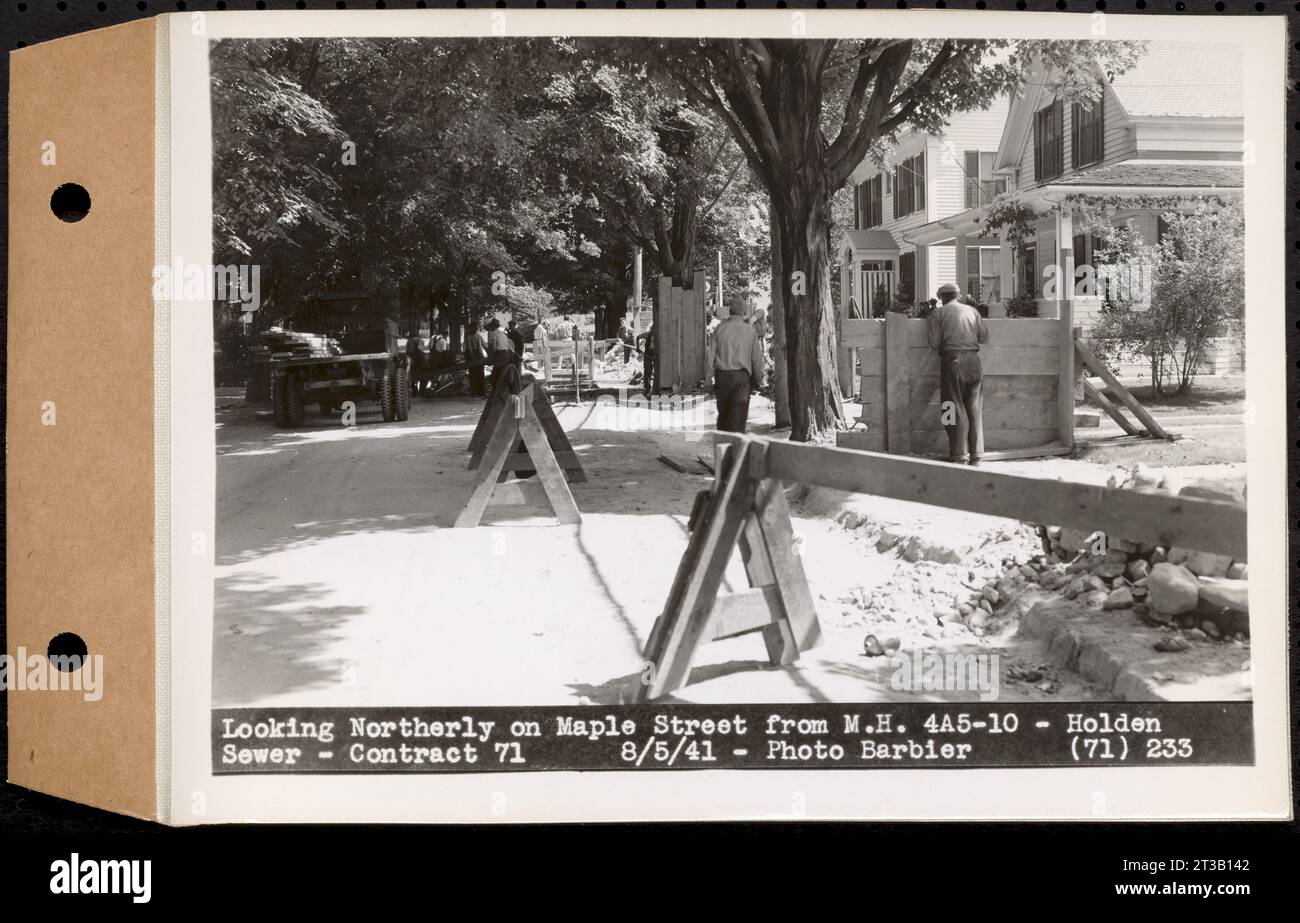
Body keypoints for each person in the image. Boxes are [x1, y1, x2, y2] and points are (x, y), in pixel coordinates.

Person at [927, 282, 989, 466]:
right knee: (975, 409)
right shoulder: (972, 311)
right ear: (958, 295)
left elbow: (934, 343)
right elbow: (984, 337)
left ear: (941, 298)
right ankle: (977, 456)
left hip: (952, 362)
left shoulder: (937, 314)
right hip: (974, 362)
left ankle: (958, 454)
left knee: (950, 408)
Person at [707, 294, 765, 433]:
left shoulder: (719, 329)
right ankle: (736, 451)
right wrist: (759, 380)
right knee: (738, 420)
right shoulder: (750, 331)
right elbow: (757, 359)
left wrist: (708, 380)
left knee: (724, 417)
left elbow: (710, 356)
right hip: (741, 379)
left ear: (730, 310)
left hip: (722, 378)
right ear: (744, 312)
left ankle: (723, 451)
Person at [485, 319, 514, 394]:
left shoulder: (493, 333)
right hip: (506, 353)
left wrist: (491, 356)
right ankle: (505, 387)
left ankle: (495, 389)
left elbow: (494, 346)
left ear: (493, 326)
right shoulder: (502, 333)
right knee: (503, 370)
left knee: (497, 371)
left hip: (500, 354)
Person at [464, 321, 488, 397]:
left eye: (476, 328)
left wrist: (490, 354)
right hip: (472, 357)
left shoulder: (479, 336)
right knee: (473, 375)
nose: (475, 329)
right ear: (471, 328)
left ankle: (482, 391)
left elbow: (485, 346)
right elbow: (469, 349)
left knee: (481, 374)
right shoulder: (468, 336)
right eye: (474, 327)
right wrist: (473, 358)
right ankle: (474, 392)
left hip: (479, 356)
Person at [636, 321, 656, 397]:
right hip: (648, 355)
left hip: (655, 356)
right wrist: (637, 349)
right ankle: (647, 389)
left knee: (655, 373)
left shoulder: (659, 334)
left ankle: (653, 389)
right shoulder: (648, 333)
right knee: (648, 372)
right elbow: (638, 337)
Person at [405, 332, 426, 398]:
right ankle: (422, 391)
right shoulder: (421, 340)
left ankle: (414, 391)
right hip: (421, 359)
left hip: (412, 359)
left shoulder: (409, 341)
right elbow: (422, 350)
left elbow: (407, 352)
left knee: (412, 375)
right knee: (423, 374)